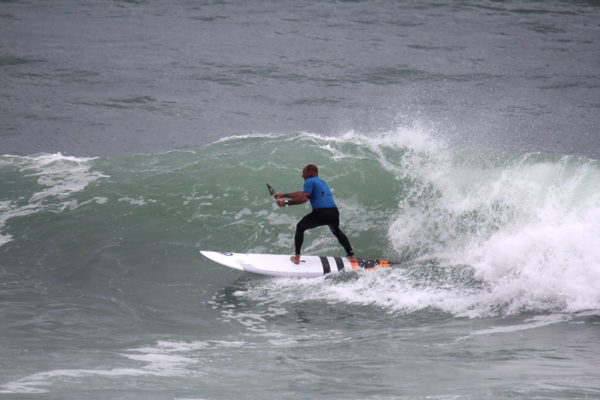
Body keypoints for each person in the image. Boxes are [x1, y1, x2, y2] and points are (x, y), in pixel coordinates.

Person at [274, 164, 357, 265]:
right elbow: (302, 193)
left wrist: (286, 203)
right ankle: (351, 256)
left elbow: (304, 198)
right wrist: (284, 195)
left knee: (300, 227)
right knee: (337, 231)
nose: (302, 175)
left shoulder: (309, 181)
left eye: (303, 172)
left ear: (310, 173)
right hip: (334, 212)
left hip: (321, 212)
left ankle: (296, 258)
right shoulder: (321, 182)